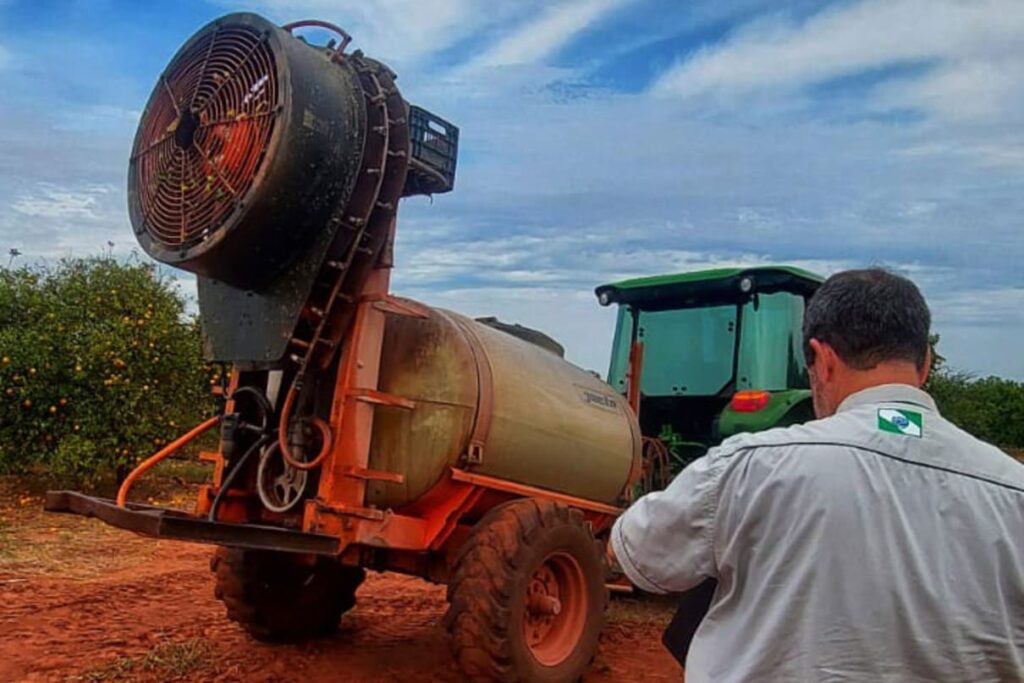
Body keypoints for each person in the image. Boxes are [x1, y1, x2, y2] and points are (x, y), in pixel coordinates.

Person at [609, 268, 1024, 682]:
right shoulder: (1013, 491)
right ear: (926, 364)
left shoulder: (747, 467)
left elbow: (636, 553)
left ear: (822, 360)